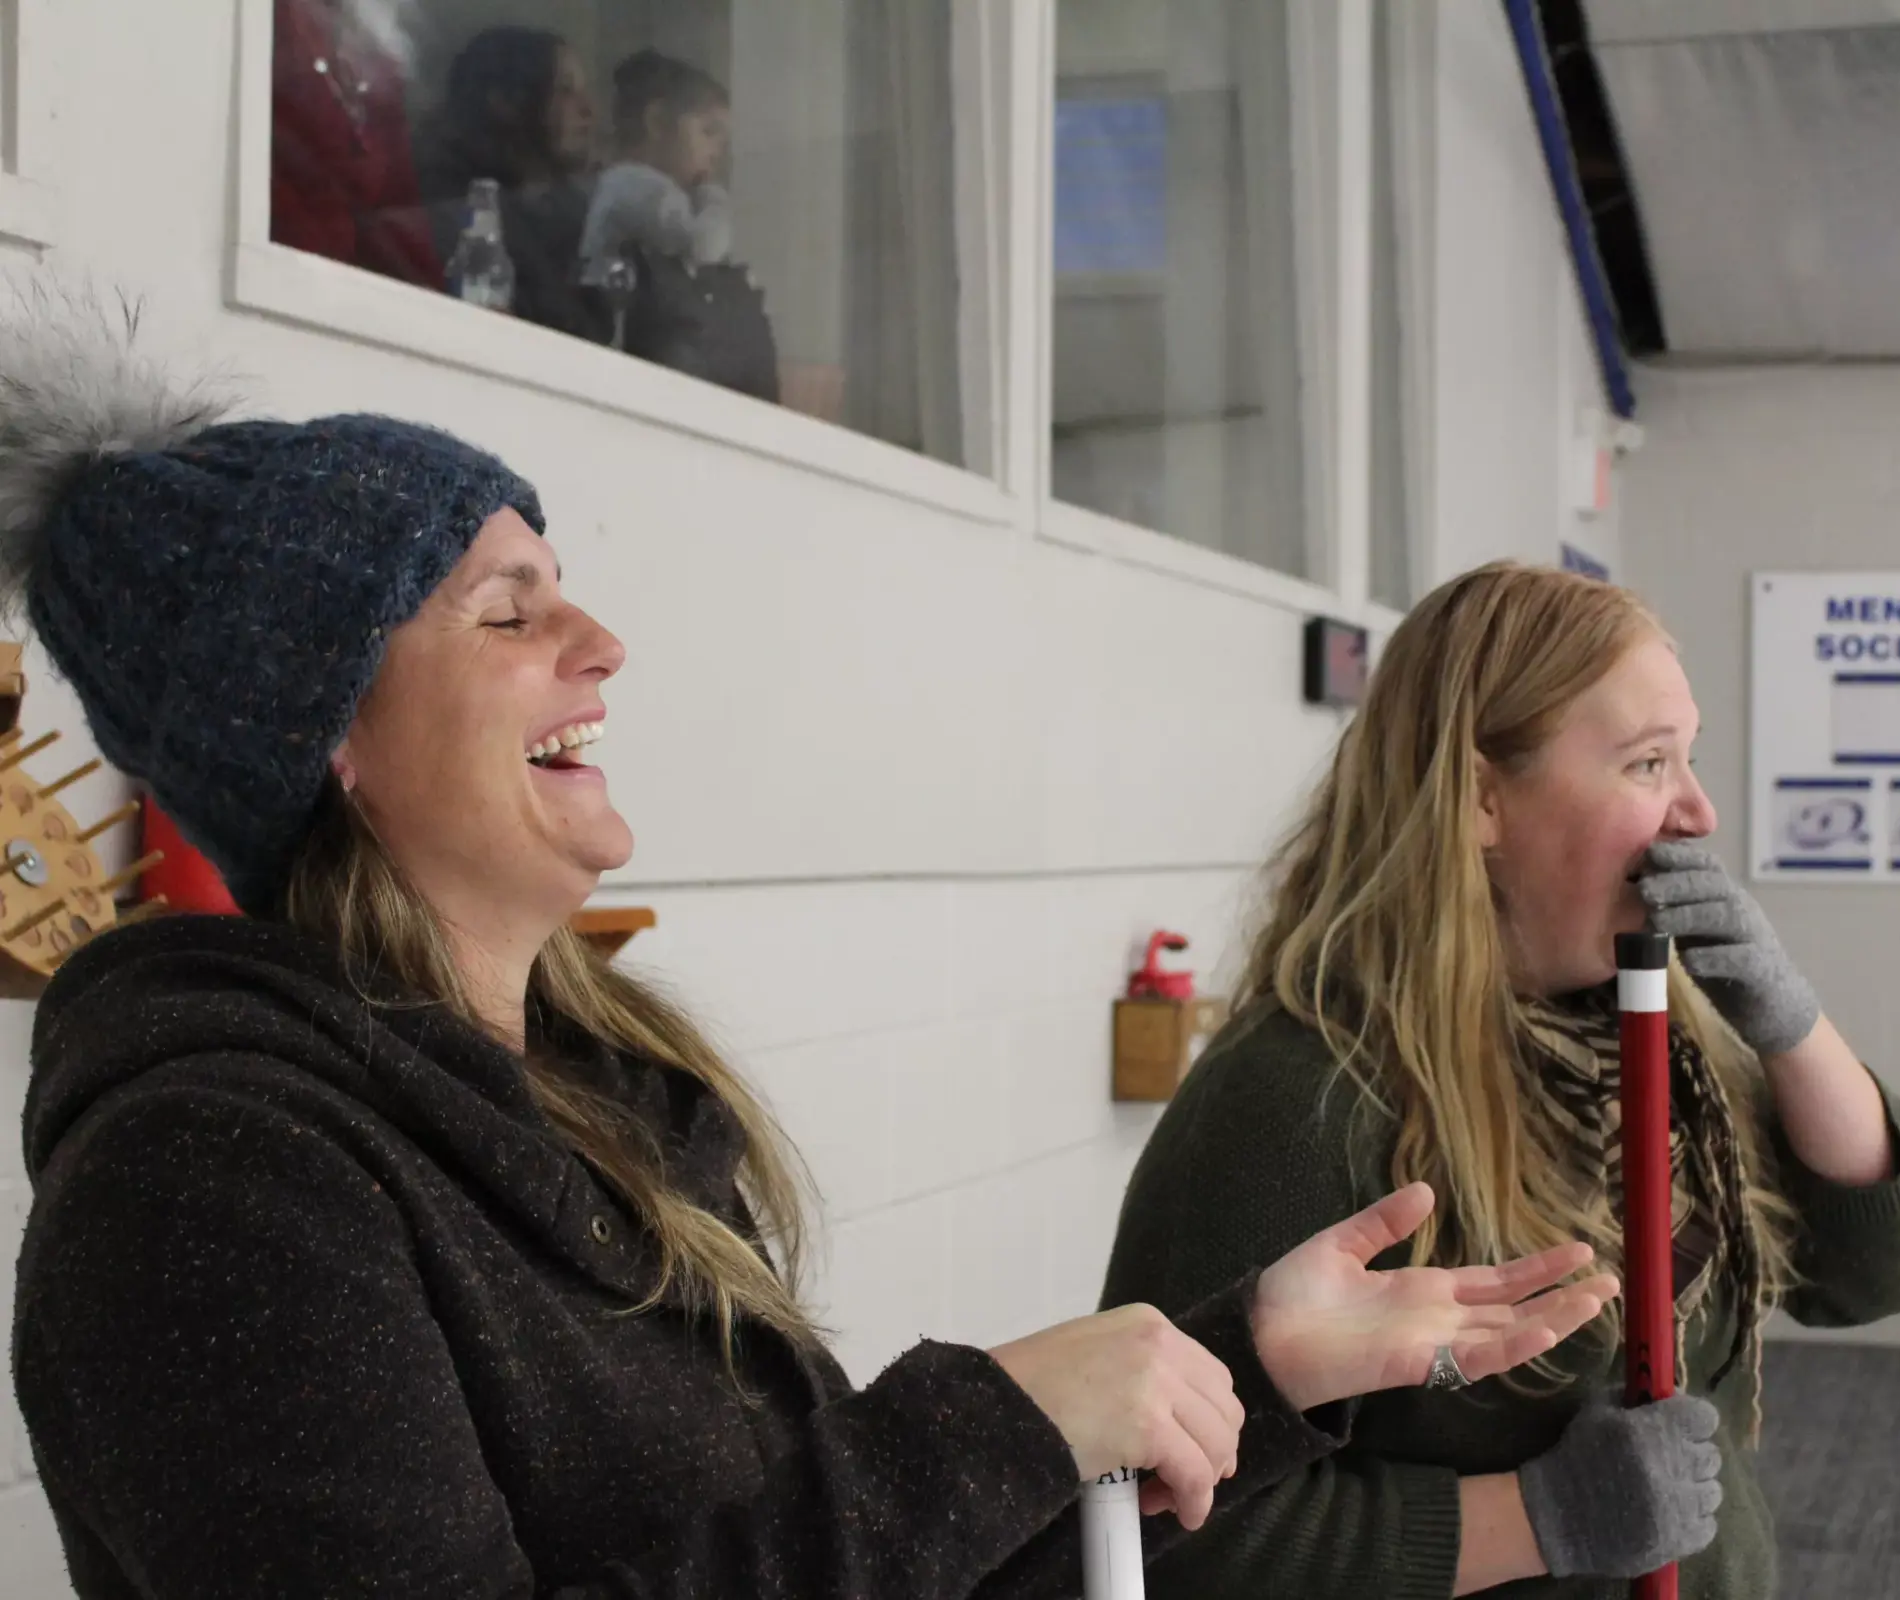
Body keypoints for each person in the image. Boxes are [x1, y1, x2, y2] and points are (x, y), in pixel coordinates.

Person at [0, 290, 1610, 1598]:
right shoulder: (208, 1183)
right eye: (508, 612)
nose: (602, 644)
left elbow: (856, 1563)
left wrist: (1238, 1369)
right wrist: (993, 1428)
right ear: (322, 737)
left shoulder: (592, 1089)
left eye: (568, 589)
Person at [1102, 562, 1900, 1598]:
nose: (1699, 811)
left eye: (1690, 759)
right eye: (1647, 764)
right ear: (1479, 798)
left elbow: (1888, 1271)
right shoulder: (1296, 1098)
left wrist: (1794, 1028)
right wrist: (1532, 1520)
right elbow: (1169, 1534)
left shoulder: (1658, 1034)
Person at [579, 49, 781, 404]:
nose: (717, 151)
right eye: (708, 131)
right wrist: (714, 197)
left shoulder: (640, 189)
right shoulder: (638, 187)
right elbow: (703, 247)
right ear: (656, 122)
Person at [418, 26, 609, 344]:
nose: (588, 110)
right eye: (565, 89)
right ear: (505, 101)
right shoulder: (455, 214)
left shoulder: (576, 217)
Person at [269, 0, 443, 288]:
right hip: (280, 278)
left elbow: (400, 205)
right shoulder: (280, 21)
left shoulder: (380, 59)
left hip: (352, 293)